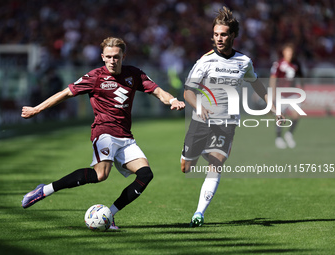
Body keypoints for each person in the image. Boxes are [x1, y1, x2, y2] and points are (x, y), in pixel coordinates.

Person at [21, 37, 185, 229]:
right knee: (101, 175)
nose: (112, 60)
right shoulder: (95, 77)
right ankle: (45, 190)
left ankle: (111, 214)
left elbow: (157, 91)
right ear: (102, 57)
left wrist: (172, 100)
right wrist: (36, 109)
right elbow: (65, 93)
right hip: (104, 132)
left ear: (123, 56)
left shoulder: (134, 74)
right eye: (108, 57)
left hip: (125, 137)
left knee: (146, 174)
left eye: (116, 57)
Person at [180, 7, 284, 227]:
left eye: (224, 34)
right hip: (201, 122)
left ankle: (199, 213)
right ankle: (198, 153)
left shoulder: (243, 62)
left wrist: (274, 107)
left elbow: (256, 83)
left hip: (226, 122)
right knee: (186, 167)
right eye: (216, 34)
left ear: (233, 36)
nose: (219, 38)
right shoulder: (205, 61)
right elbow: (188, 91)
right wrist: (199, 105)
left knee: (216, 164)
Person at [270, 43, 304, 149]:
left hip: (292, 94)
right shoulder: (278, 64)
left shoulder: (296, 64)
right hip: (281, 94)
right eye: (288, 51)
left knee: (296, 114)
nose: (290, 54)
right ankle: (279, 138)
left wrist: (302, 89)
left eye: (291, 52)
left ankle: (289, 134)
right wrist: (273, 92)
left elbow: (301, 77)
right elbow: (273, 78)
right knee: (280, 116)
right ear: (284, 52)